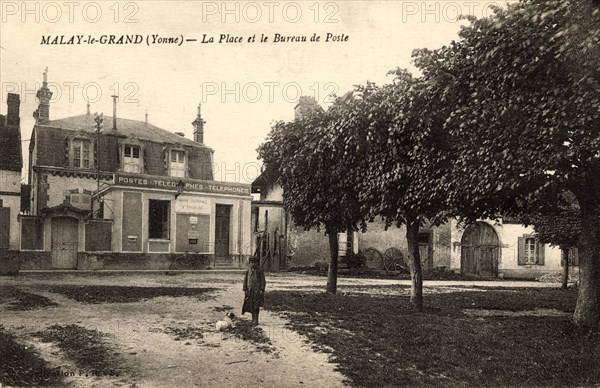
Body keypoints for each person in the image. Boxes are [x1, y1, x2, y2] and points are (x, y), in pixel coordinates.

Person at [242, 256, 266, 326]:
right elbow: (245, 280)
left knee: (256, 305)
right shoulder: (248, 271)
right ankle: (253, 319)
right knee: (251, 305)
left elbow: (263, 281)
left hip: (257, 291)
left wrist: (262, 289)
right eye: (251, 262)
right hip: (250, 291)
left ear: (257, 263)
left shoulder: (260, 271)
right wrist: (245, 289)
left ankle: (256, 320)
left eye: (254, 262)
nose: (252, 264)